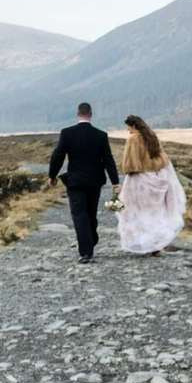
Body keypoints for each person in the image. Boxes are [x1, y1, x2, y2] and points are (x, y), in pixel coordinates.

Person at [48, 101, 120, 263]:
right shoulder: (100, 135)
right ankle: (91, 239)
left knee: (79, 215)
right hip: (95, 181)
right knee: (91, 213)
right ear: (91, 114)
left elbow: (58, 155)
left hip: (75, 182)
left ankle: (86, 252)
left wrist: (52, 175)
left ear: (78, 114)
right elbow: (108, 159)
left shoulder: (67, 133)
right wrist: (115, 181)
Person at [115, 115, 186, 256]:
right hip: (156, 178)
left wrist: (127, 169)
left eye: (128, 127)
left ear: (133, 126)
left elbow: (131, 164)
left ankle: (143, 243)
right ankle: (156, 245)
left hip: (139, 181)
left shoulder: (133, 139)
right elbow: (162, 159)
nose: (128, 130)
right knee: (155, 213)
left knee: (136, 211)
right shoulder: (152, 137)